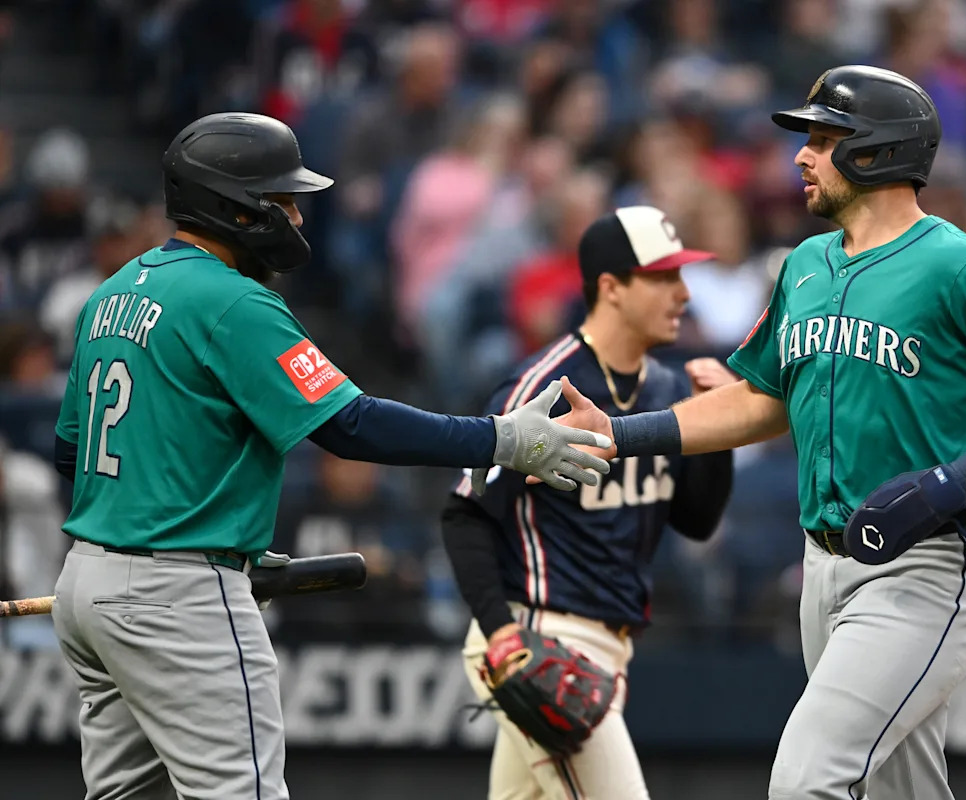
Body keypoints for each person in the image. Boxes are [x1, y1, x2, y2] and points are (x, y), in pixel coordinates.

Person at [548, 66, 966, 800]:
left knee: (808, 781)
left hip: (931, 566)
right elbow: (762, 400)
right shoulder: (806, 264)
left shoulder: (963, 265)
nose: (800, 158)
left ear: (878, 152)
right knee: (898, 789)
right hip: (827, 566)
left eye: (822, 139)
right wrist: (623, 433)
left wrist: (956, 480)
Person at [48, 112, 611, 800]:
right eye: (282, 201)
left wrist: (191, 540)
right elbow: (352, 426)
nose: (297, 217)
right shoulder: (231, 300)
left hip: (89, 583)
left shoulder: (111, 295)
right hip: (179, 592)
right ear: (236, 207)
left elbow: (69, 453)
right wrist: (500, 439)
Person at [442, 205, 736, 800]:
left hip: (609, 650)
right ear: (612, 287)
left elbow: (696, 521)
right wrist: (501, 635)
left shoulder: (667, 388)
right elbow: (464, 512)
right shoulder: (544, 388)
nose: (683, 293)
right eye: (664, 278)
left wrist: (720, 429)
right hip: (539, 636)